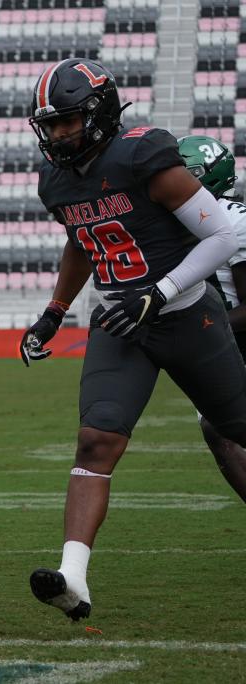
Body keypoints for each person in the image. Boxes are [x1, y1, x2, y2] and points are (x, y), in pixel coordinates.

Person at [18, 58, 246, 621]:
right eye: (50, 124)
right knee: (95, 441)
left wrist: (160, 292)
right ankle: (73, 576)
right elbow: (82, 240)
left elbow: (223, 232)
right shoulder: (55, 180)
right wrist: (53, 312)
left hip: (189, 317)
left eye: (68, 121)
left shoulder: (142, 154)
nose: (59, 134)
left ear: (98, 113)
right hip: (121, 322)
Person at [177, 134, 246, 503]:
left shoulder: (235, 221)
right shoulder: (178, 223)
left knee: (219, 429)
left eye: (183, 174)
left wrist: (197, 327)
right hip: (223, 345)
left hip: (230, 337)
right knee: (217, 432)